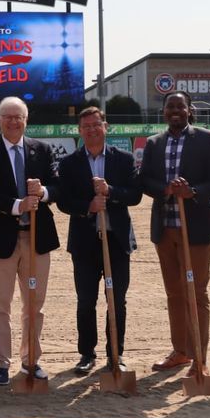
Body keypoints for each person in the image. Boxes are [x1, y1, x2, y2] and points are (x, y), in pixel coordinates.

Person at [140, 91, 210, 376]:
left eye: (180, 106)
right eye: (170, 106)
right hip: (166, 228)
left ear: (190, 110)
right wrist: (165, 190)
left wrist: (193, 191)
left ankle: (199, 356)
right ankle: (181, 351)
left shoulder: (206, 138)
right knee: (174, 293)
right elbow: (145, 181)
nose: (175, 110)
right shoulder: (154, 143)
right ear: (163, 111)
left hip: (198, 228)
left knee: (196, 292)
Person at [0, 96, 60, 385]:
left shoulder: (43, 150)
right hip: (2, 239)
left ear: (26, 120)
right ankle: (2, 363)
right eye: (8, 117)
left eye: (19, 117)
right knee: (1, 305)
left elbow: (56, 185)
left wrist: (43, 193)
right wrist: (18, 205)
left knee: (34, 304)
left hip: (38, 239)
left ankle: (31, 360)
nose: (13, 121)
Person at [55, 106, 141, 375]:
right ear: (80, 131)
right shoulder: (69, 163)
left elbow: (135, 195)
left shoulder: (124, 159)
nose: (91, 130)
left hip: (116, 241)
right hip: (84, 242)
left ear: (106, 126)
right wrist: (87, 206)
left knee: (117, 300)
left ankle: (116, 353)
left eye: (96, 124)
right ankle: (86, 353)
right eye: (86, 126)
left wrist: (111, 191)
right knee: (86, 300)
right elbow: (64, 201)